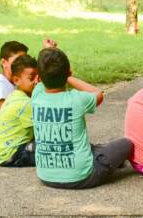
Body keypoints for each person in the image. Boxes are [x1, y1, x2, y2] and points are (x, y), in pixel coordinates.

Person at [33, 48, 132, 189]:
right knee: (126, 144)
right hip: (82, 176)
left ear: (39, 77)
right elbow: (98, 93)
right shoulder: (77, 99)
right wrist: (69, 76)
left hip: (45, 176)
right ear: (68, 73)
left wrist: (49, 55)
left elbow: (45, 72)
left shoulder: (36, 95)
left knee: (94, 148)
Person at [0, 55, 39, 167]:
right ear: (16, 80)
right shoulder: (25, 103)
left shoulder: (14, 95)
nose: (37, 81)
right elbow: (44, 130)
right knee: (53, 151)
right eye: (32, 78)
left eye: (39, 77)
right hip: (12, 153)